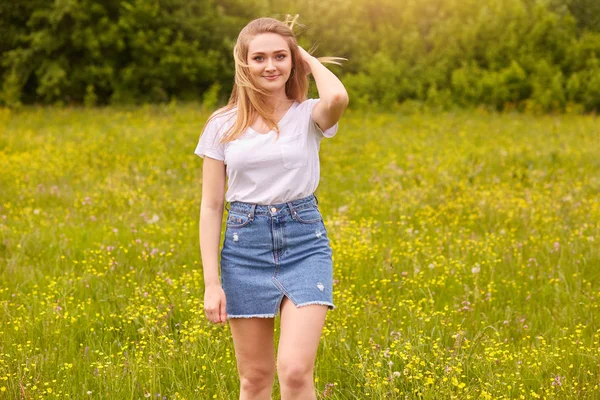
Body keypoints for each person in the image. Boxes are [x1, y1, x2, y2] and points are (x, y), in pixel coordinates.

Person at [194, 15, 348, 400]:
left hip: (304, 243)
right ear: (244, 64)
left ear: (292, 60)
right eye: (259, 57)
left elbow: (338, 98)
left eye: (280, 56)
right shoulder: (221, 124)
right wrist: (212, 284)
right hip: (244, 248)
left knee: (295, 372)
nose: (270, 66)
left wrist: (305, 58)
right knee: (255, 379)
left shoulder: (308, 114)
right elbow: (211, 206)